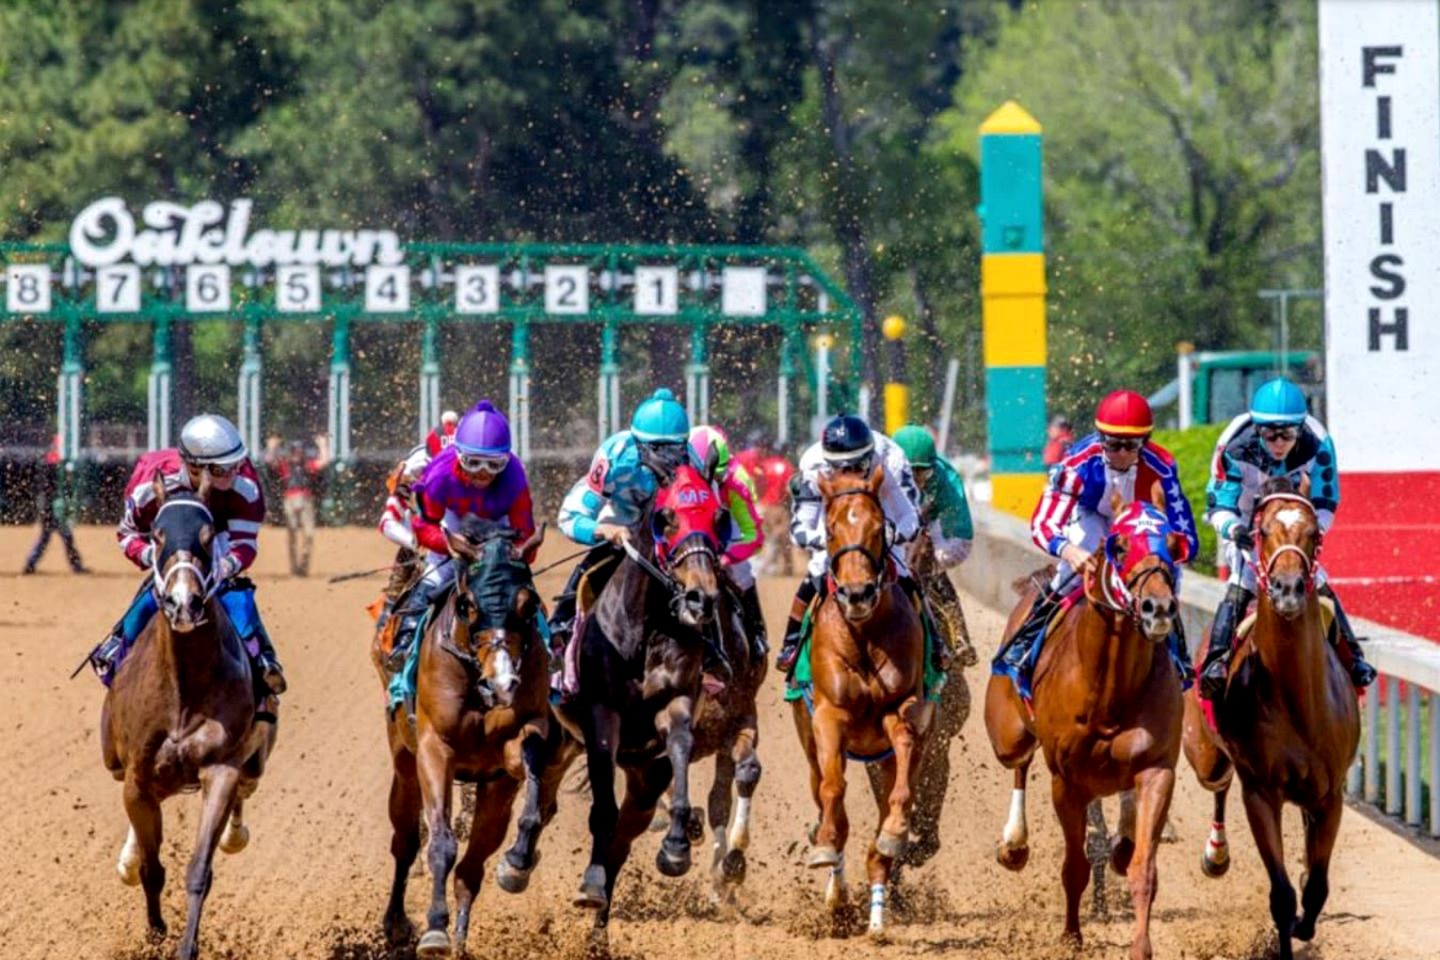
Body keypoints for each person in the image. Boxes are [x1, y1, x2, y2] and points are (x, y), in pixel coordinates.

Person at [994, 390, 1199, 683]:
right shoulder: (1076, 464)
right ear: (1101, 438)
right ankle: (1026, 643)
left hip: (1140, 524)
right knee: (1076, 568)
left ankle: (1178, 656)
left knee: (1168, 579)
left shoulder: (1162, 467)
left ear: (1145, 441)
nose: (1122, 454)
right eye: (1113, 444)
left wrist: (1167, 556)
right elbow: (1043, 523)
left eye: (1132, 445)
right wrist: (1067, 550)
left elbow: (1186, 535)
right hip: (1091, 515)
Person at [1197, 377, 1376, 697]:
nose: (1279, 443)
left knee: (1317, 580)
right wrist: (1234, 530)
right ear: (1257, 429)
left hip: (1294, 520)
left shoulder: (1319, 443)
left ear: (1300, 428)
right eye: (1270, 434)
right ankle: (1216, 661)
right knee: (1243, 578)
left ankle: (1355, 659)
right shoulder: (1234, 445)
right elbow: (1220, 505)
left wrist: (1311, 531)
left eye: (1287, 434)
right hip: (1245, 516)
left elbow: (1325, 502)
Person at [85, 414, 285, 695]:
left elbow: (245, 544)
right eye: (223, 469)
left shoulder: (246, 485)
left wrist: (226, 566)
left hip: (218, 540)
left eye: (236, 463)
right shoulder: (148, 484)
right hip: (168, 548)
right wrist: (152, 557)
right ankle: (117, 645)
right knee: (151, 598)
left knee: (237, 599)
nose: (234, 473)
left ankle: (264, 660)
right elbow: (127, 534)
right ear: (194, 468)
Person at [775, 414, 946, 674]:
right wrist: (836, 540)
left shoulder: (891, 459)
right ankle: (791, 643)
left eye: (857, 466)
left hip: (879, 521)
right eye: (840, 468)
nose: (850, 474)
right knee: (817, 570)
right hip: (837, 527)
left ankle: (935, 643)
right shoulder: (812, 464)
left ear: (870, 457)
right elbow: (799, 530)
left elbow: (910, 517)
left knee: (903, 573)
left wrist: (886, 535)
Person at [385, 401, 537, 671]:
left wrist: (508, 554)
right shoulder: (439, 475)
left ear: (505, 460)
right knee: (435, 575)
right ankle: (405, 642)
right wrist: (449, 545)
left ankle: (547, 644)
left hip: (499, 526)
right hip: (454, 520)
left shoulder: (515, 478)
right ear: (458, 456)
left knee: (521, 587)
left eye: (493, 465)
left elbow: (525, 535)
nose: (482, 473)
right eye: (473, 462)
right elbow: (423, 526)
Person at [551, 388, 693, 640]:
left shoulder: (694, 464)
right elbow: (570, 515)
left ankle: (730, 641)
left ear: (684, 445)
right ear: (638, 444)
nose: (666, 460)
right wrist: (602, 530)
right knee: (595, 563)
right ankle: (561, 626)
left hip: (670, 533)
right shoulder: (614, 457)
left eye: (673, 450)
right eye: (657, 449)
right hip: (622, 523)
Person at [893, 424, 976, 666]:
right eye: (912, 472)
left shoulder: (946, 480)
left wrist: (931, 549)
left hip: (934, 527)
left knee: (934, 570)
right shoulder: (881, 473)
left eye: (924, 473)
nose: (918, 479)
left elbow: (958, 533)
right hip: (893, 528)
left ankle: (960, 639)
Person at [689, 424, 768, 660]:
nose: (714, 481)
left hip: (729, 529)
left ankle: (755, 634)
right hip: (696, 532)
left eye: (718, 475)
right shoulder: (683, 475)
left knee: (742, 574)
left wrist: (726, 559)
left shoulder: (737, 481)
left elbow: (754, 536)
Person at [265, 434, 330, 577]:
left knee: (309, 534)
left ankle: (303, 567)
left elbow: (324, 462)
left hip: (306, 499)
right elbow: (270, 461)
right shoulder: (285, 465)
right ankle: (294, 567)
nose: (297, 454)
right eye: (294, 451)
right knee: (292, 533)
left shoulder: (307, 465)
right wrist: (272, 447)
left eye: (299, 451)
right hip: (290, 500)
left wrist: (322, 445)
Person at [22, 434, 87, 575]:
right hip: (51, 507)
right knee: (62, 537)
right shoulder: (53, 464)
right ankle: (75, 565)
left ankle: (31, 563)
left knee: (48, 537)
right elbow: (53, 488)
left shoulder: (50, 462)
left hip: (50, 507)